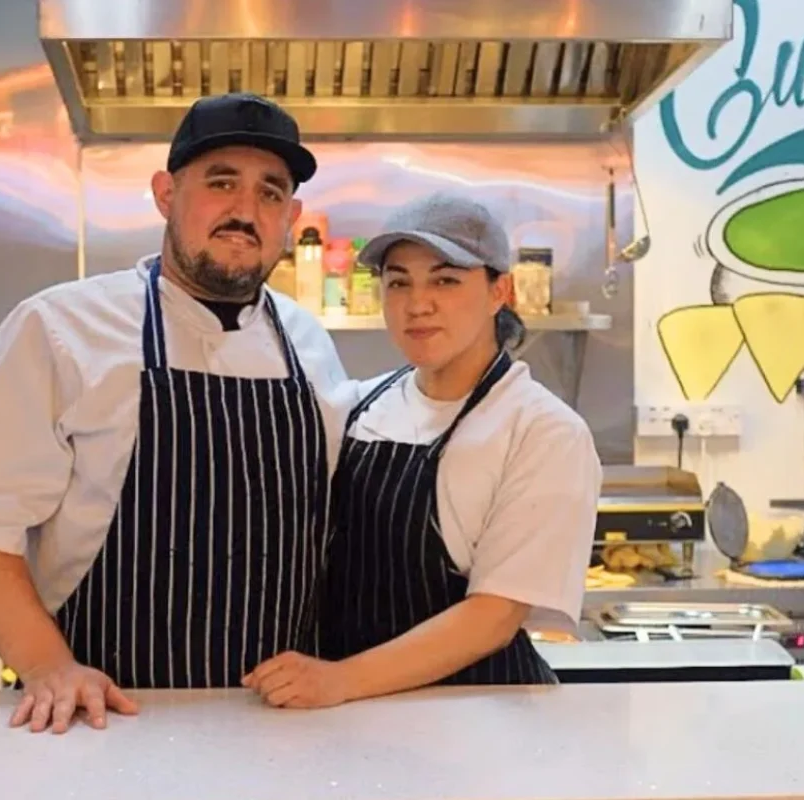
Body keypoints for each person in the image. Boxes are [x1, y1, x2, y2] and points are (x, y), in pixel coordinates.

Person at [0, 92, 349, 732]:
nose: (244, 211)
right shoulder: (62, 327)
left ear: (291, 217)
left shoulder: (309, 343)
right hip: (107, 715)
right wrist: (47, 667)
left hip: (280, 720)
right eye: (221, 183)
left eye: (269, 193)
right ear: (164, 194)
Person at [243, 191, 601, 708]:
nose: (417, 304)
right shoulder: (362, 405)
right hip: (358, 713)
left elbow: (494, 616)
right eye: (398, 282)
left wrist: (339, 680)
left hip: (479, 716)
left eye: (446, 280)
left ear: (500, 291)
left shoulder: (540, 429)